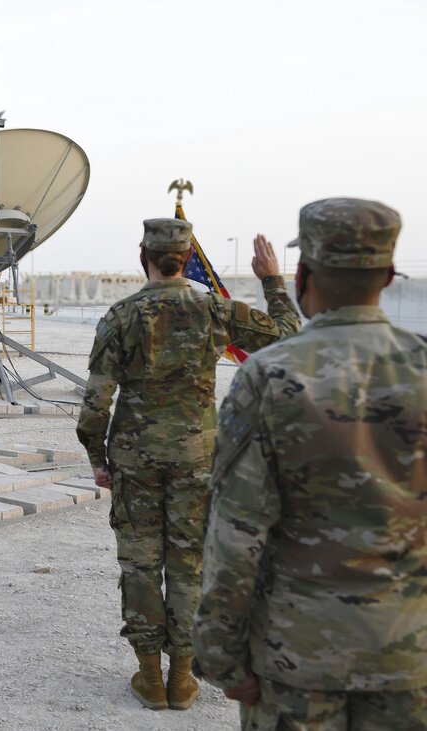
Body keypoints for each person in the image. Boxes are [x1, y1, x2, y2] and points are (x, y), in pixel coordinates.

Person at [193, 198, 427, 729]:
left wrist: (220, 655)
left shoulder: (268, 378)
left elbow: (235, 533)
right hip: (410, 658)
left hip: (295, 661)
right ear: (388, 275)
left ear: (303, 274)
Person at [76, 218, 301, 712]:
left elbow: (95, 405)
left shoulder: (120, 315)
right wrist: (272, 281)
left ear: (144, 256)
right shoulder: (214, 309)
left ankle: (149, 677)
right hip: (196, 460)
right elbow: (288, 336)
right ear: (185, 257)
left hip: (135, 461)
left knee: (139, 564)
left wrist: (98, 460)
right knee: (188, 565)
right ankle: (182, 677)